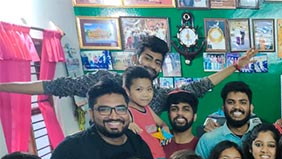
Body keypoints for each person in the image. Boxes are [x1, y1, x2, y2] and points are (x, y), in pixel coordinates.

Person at [0, 35, 258, 113]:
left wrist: (236, 66)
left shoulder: (157, 96)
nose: (152, 66)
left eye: (158, 62)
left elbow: (200, 86)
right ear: (136, 58)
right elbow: (53, 86)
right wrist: (3, 86)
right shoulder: (103, 80)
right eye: (148, 58)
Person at [196, 81, 258, 159]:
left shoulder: (260, 135)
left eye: (243, 102)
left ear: (251, 108)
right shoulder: (208, 140)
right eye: (231, 102)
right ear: (223, 108)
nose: (237, 107)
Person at [123, 66, 170, 159]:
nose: (146, 94)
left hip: (161, 157)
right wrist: (127, 125)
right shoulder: (127, 111)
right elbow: (119, 127)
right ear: (127, 90)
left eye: (149, 89)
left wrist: (165, 130)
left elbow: (162, 124)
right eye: (139, 89)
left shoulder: (147, 108)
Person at [164, 90, 200, 159]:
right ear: (168, 115)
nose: (180, 113)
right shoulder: (158, 139)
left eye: (186, 109)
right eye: (174, 109)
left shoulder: (201, 145)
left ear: (194, 116)